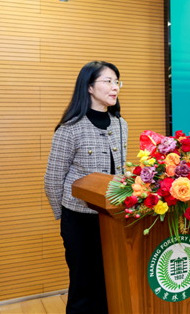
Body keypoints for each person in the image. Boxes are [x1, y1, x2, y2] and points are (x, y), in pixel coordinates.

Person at [44, 61, 128, 314]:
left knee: (109, 281)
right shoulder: (70, 128)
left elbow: (119, 171)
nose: (115, 87)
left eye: (117, 82)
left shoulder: (120, 124)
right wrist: (64, 217)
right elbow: (53, 179)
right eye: (108, 81)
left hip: (111, 217)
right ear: (89, 87)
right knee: (83, 286)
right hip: (79, 219)